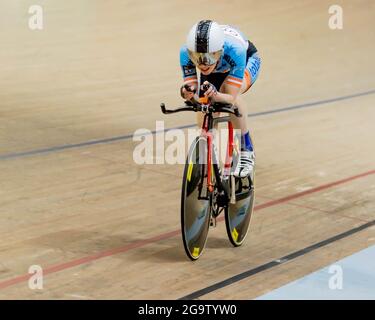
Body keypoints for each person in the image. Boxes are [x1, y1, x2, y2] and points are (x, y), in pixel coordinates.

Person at [180, 20, 261, 178]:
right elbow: (192, 90)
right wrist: (188, 93)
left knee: (227, 94)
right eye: (197, 58)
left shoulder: (235, 51)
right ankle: (208, 146)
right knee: (205, 102)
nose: (203, 64)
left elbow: (230, 97)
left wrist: (216, 95)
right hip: (217, 67)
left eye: (209, 56)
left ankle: (246, 149)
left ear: (219, 50)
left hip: (244, 61)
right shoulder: (186, 53)